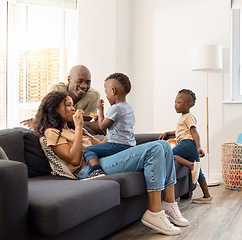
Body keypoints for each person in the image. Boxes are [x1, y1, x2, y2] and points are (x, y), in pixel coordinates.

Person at [32, 91, 188, 236]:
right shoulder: (52, 132)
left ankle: (169, 203)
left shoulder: (75, 130)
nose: (73, 108)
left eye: (72, 104)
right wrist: (79, 126)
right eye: (68, 105)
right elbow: (72, 159)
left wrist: (116, 127)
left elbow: (102, 145)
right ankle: (154, 212)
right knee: (154, 148)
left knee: (165, 146)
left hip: (102, 159)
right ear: (54, 109)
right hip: (87, 170)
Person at [159, 89, 213, 204]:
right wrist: (168, 133)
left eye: (178, 102)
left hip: (187, 143)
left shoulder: (188, 117)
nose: (175, 105)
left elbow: (194, 133)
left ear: (187, 105)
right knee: (199, 173)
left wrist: (199, 147)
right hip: (190, 146)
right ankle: (207, 196)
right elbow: (179, 131)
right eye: (175, 102)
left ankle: (190, 165)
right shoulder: (183, 117)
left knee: (171, 154)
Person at [21, 65, 104, 135]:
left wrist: (88, 124)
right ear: (69, 80)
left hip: (75, 129)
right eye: (80, 81)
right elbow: (50, 119)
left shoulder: (93, 95)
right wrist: (89, 124)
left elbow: (81, 122)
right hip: (54, 127)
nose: (84, 86)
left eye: (88, 82)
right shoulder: (56, 89)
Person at [82, 73, 136, 179]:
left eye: (106, 92)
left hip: (117, 145)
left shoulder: (115, 108)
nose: (106, 96)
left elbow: (102, 127)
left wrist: (100, 110)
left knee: (88, 150)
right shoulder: (128, 107)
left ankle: (96, 170)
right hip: (129, 144)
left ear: (113, 91)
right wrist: (100, 119)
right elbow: (113, 127)